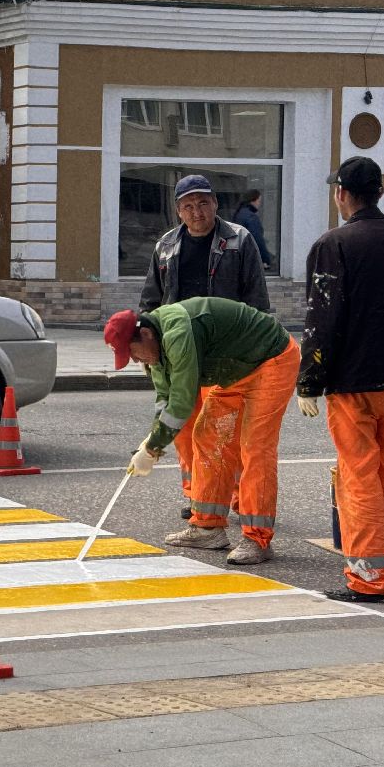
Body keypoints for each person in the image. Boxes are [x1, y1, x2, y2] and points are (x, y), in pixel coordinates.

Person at [295, 156, 384, 603]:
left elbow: (322, 318)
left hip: (354, 383)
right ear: (380, 192)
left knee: (358, 475)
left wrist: (309, 380)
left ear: (341, 194)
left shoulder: (333, 244)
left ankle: (368, 578)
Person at [104, 296, 299, 565]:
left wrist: (153, 448)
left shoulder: (177, 333)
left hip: (270, 360)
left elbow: (182, 401)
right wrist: (151, 440)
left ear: (146, 334)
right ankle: (208, 529)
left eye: (133, 352)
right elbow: (165, 400)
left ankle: (258, 539)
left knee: (255, 447)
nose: (136, 359)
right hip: (235, 370)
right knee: (207, 436)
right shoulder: (155, 348)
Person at [139, 174, 271, 520]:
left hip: (225, 356)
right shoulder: (166, 246)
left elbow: (257, 299)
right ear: (178, 211)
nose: (196, 211)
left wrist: (254, 353)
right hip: (179, 352)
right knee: (186, 432)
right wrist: (147, 349)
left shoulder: (238, 240)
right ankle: (200, 497)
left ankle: (240, 496)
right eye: (188, 205)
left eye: (202, 203)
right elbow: (150, 302)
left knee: (226, 432)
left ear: (215, 204)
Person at [233, 189, 274, 269]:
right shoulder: (251, 217)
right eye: (259, 201)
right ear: (252, 201)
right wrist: (266, 259)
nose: (259, 204)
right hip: (249, 258)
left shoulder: (238, 214)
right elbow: (257, 239)